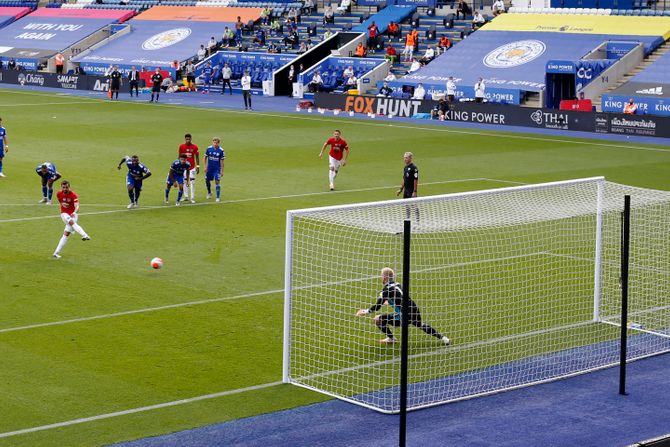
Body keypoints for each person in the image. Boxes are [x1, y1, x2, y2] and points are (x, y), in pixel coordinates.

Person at [356, 267, 450, 345]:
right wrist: (389, 301)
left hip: (404, 314)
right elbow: (399, 297)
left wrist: (364, 311)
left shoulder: (385, 291)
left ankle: (391, 338)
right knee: (420, 324)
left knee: (377, 319)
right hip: (414, 309)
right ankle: (444, 338)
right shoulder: (398, 285)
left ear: (385, 278)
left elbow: (377, 307)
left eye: (381, 276)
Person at [53, 180, 91, 259]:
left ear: (69, 187)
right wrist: (63, 204)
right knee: (72, 222)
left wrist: (74, 212)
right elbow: (60, 201)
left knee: (66, 234)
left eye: (66, 187)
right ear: (61, 187)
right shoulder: (58, 194)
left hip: (73, 215)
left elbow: (77, 206)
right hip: (64, 214)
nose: (65, 189)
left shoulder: (73, 195)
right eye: (63, 187)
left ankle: (56, 253)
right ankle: (85, 235)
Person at [179, 133, 200, 203]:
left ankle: (192, 198)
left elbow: (197, 156)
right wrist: (179, 166)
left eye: (189, 139)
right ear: (185, 139)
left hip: (192, 167)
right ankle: (186, 197)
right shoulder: (181, 146)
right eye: (186, 139)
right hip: (184, 167)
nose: (188, 140)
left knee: (192, 182)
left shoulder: (195, 147)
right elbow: (179, 157)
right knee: (184, 181)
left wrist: (198, 166)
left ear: (191, 139)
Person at [204, 137, 225, 202]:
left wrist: (222, 171)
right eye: (214, 142)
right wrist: (205, 167)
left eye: (216, 142)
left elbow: (222, 161)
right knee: (207, 180)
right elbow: (204, 158)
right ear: (212, 142)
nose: (215, 144)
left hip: (217, 169)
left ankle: (218, 197)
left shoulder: (221, 150)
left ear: (218, 143)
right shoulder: (209, 148)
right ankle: (209, 192)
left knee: (217, 181)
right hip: (209, 168)